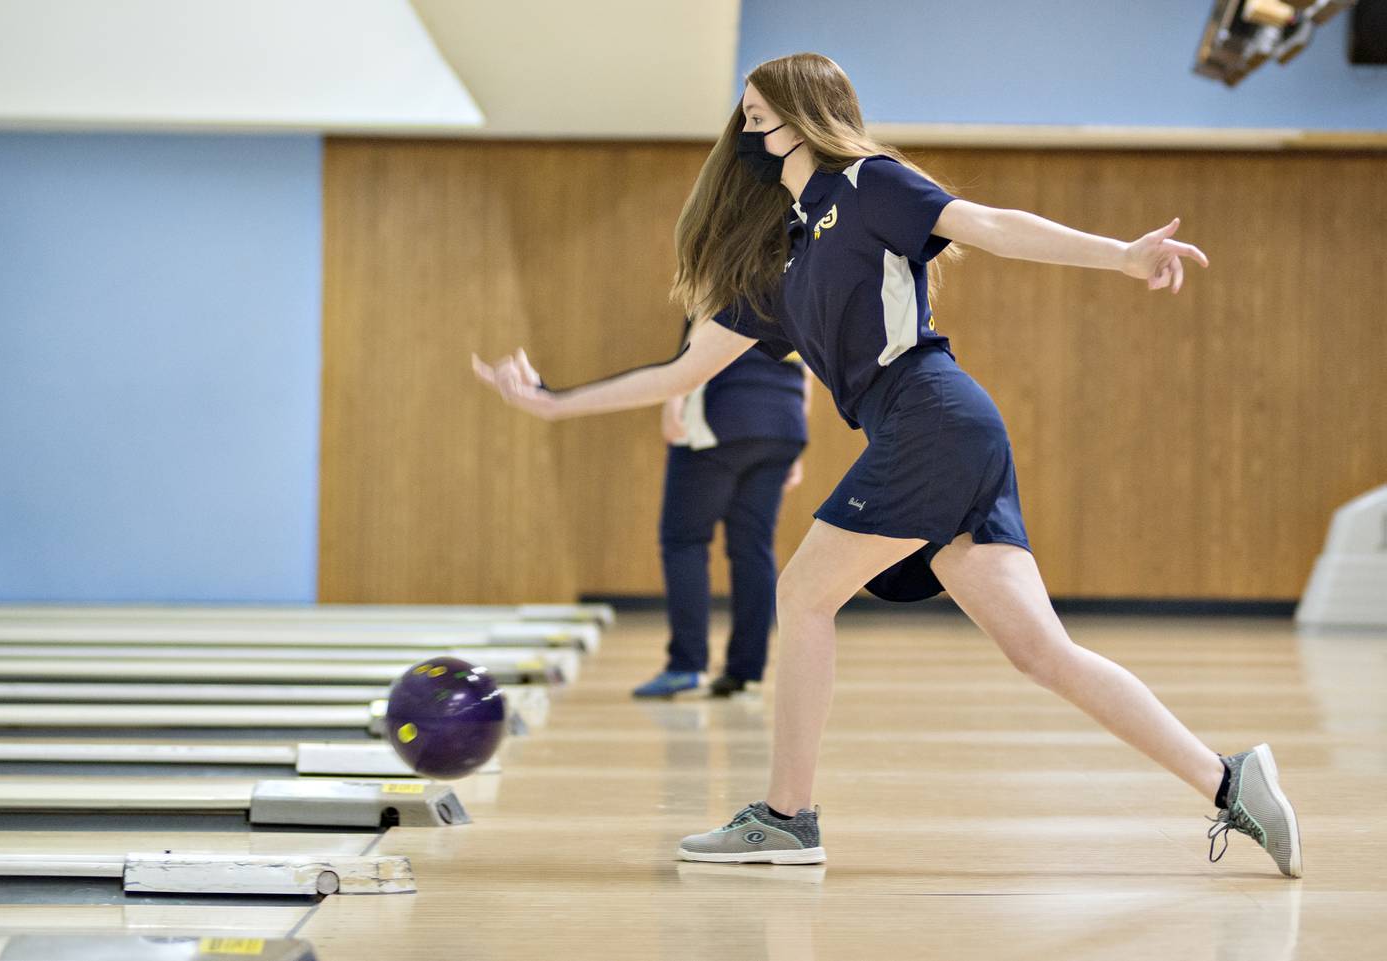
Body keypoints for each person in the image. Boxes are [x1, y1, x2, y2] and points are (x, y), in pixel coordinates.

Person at [473, 52, 1301, 878]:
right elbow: (683, 372)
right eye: (746, 115)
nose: (749, 125)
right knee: (1041, 652)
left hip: (932, 416)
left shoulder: (869, 182)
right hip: (935, 430)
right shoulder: (780, 258)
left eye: (762, 111)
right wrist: (552, 401)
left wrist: (1121, 254)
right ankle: (1230, 781)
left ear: (804, 116)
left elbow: (992, 224)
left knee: (802, 594)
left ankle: (787, 819)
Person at [634, 322, 811, 699]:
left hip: (722, 413)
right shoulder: (799, 276)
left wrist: (672, 402)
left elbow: (696, 339)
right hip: (783, 423)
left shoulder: (721, 269)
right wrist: (796, 438)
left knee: (684, 540)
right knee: (753, 547)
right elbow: (810, 363)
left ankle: (687, 664)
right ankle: (745, 670)